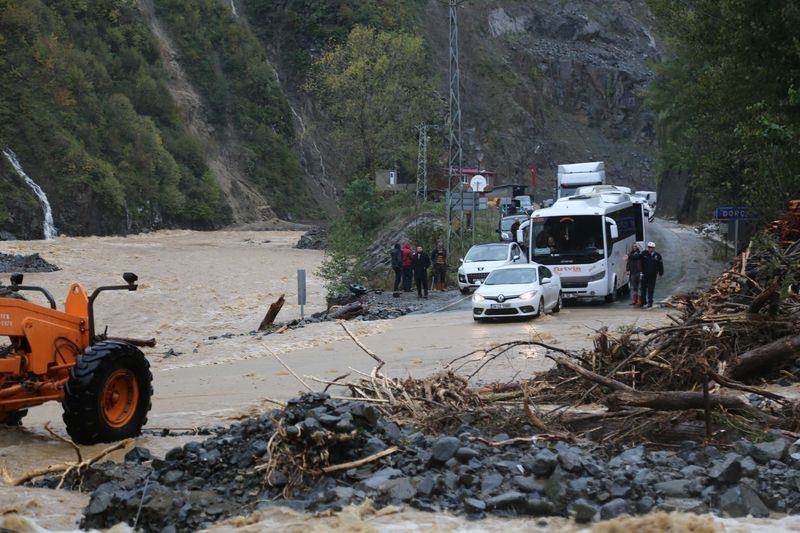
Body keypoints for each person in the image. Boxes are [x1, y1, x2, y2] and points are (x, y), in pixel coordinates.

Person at [639, 241, 664, 308]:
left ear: (654, 248)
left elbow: (660, 265)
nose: (649, 249)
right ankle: (643, 302)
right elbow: (637, 257)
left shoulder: (657, 256)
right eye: (648, 247)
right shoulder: (644, 253)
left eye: (651, 247)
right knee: (643, 289)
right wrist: (629, 256)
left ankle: (650, 302)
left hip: (653, 276)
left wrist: (661, 273)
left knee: (651, 289)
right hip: (644, 274)